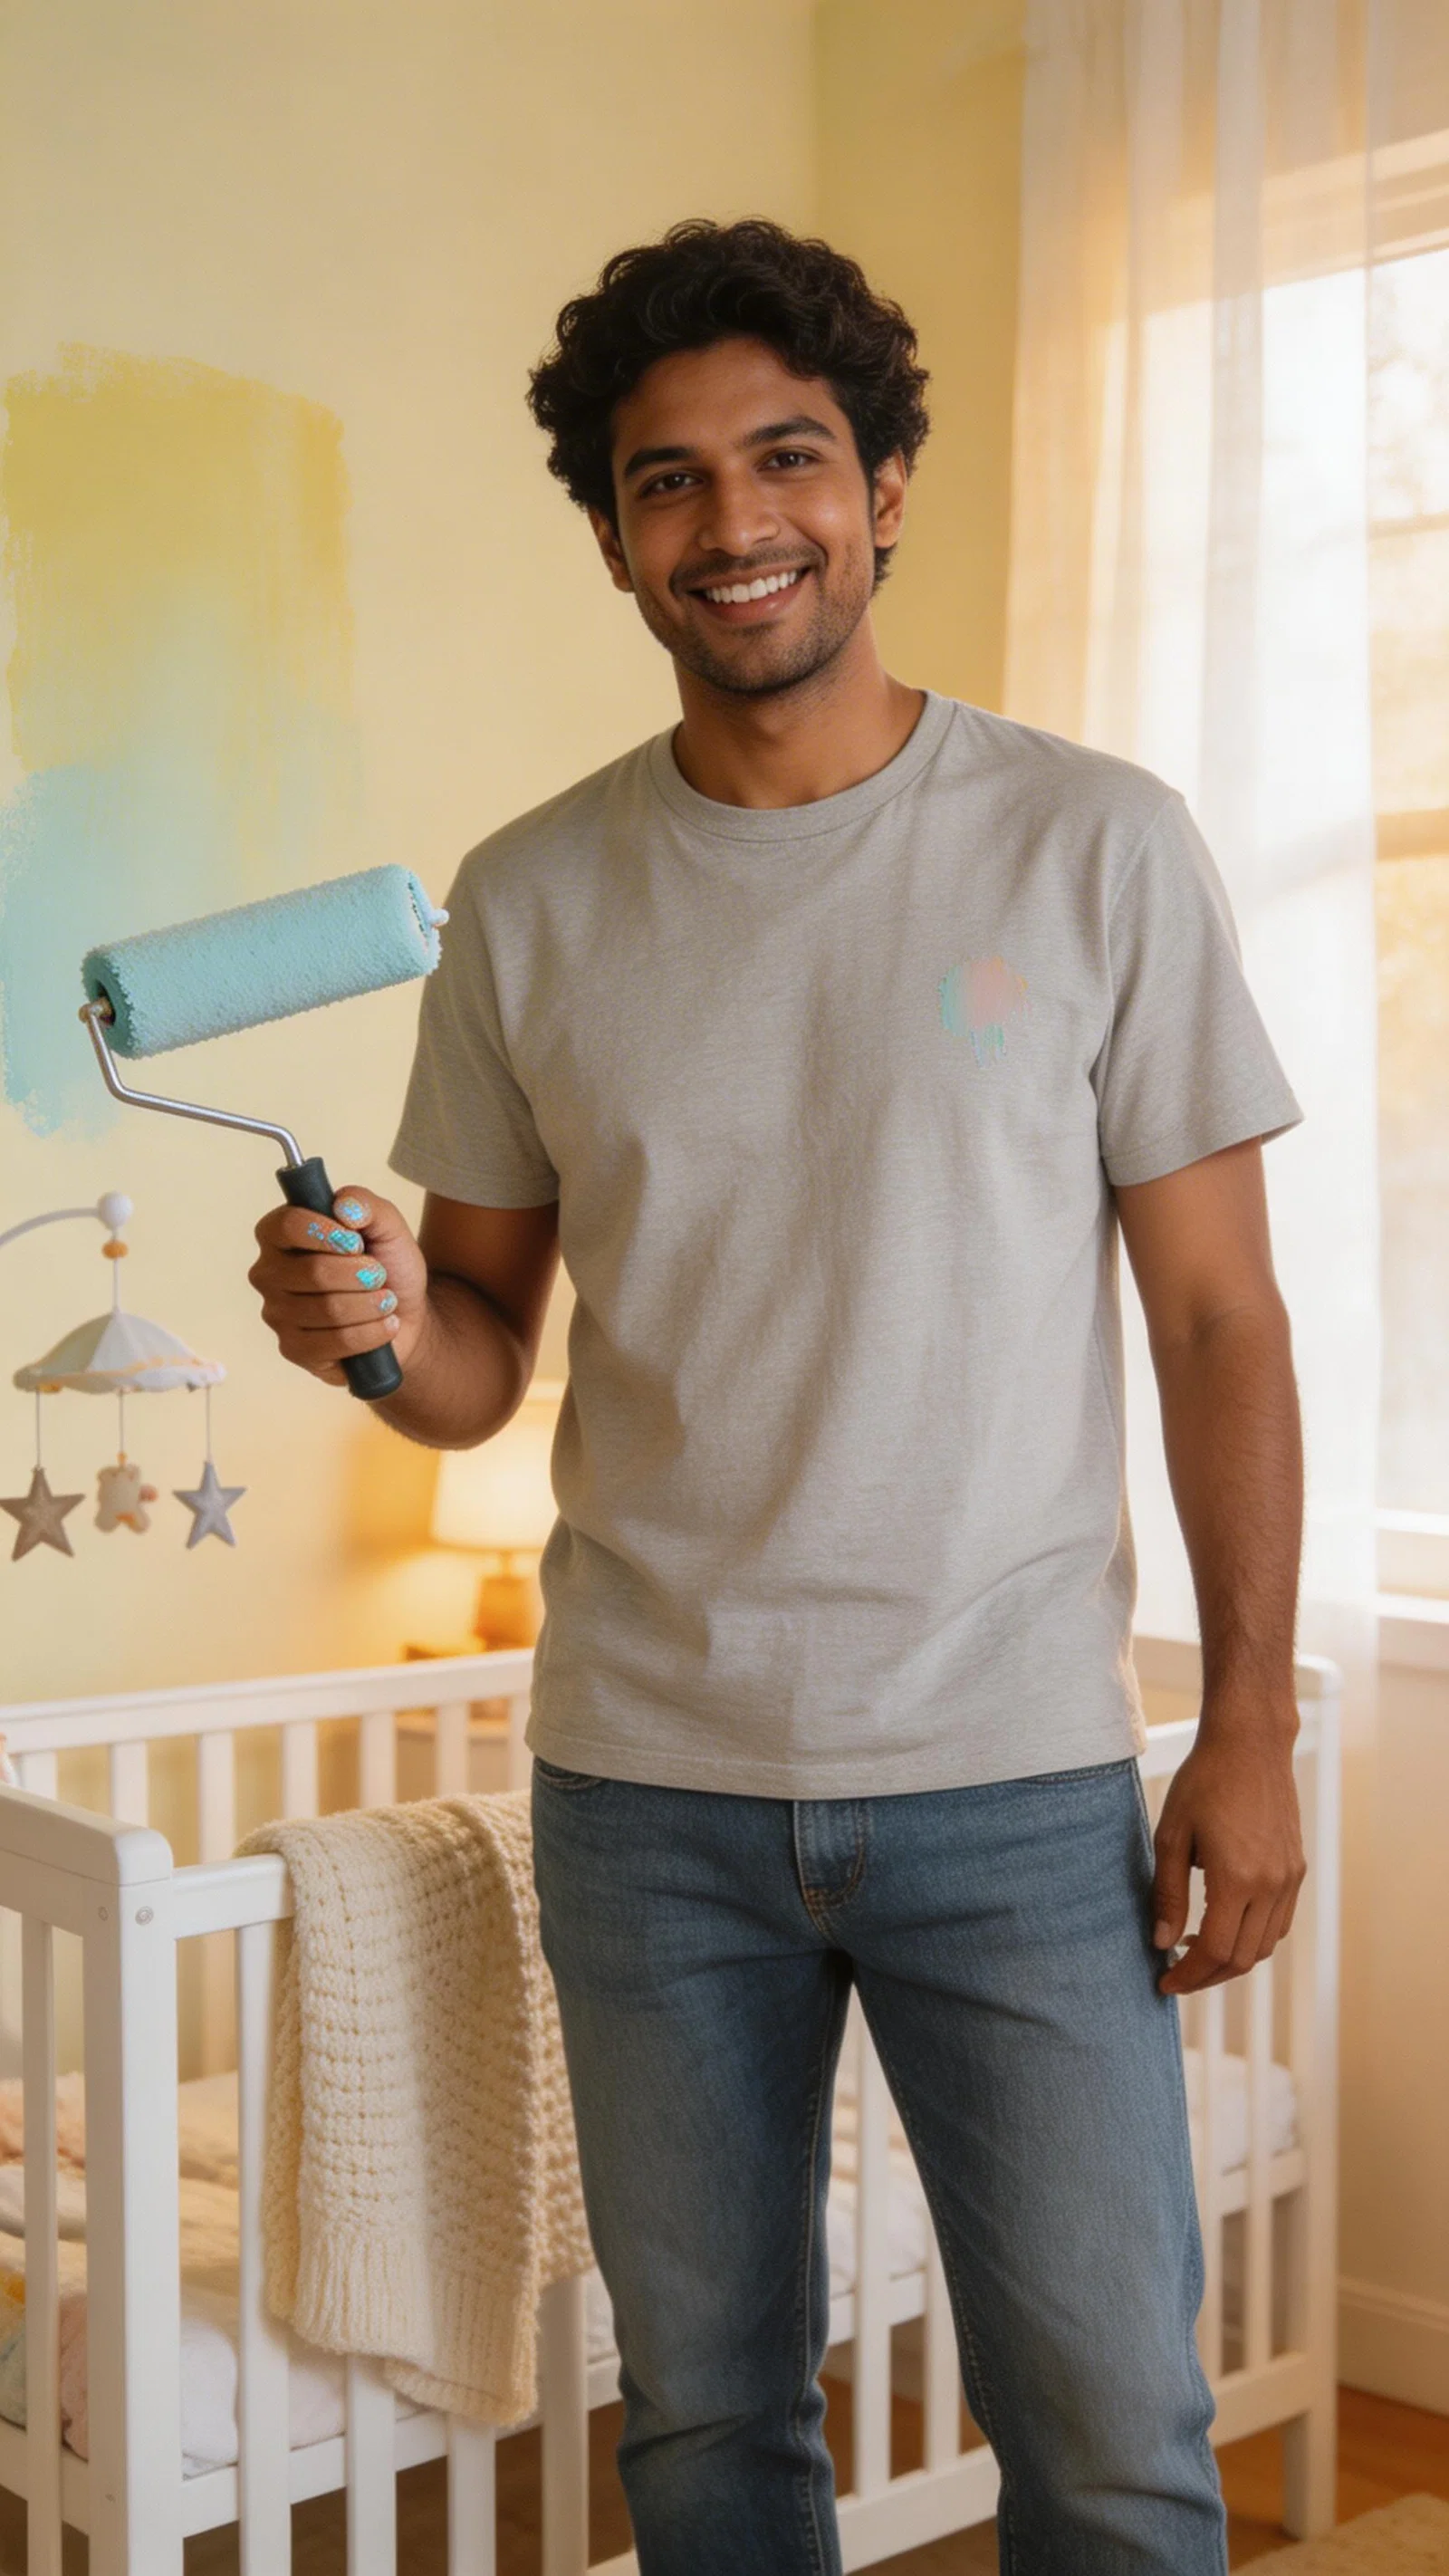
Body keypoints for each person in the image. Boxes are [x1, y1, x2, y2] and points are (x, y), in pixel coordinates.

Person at [247, 217, 1309, 2575]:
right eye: (666, 482)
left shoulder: (1094, 843)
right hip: (644, 1792)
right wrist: (369, 1325)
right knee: (709, 2430)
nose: (734, 523)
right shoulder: (530, 902)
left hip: (1018, 1774)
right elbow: (483, 1351)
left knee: (1117, 2438)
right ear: (615, 533)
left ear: (890, 482)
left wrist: (1251, 1717)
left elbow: (1222, 1315)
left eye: (787, 458)